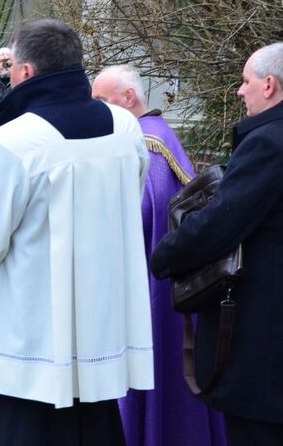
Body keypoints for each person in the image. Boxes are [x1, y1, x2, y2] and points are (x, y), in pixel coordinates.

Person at [0, 19, 153, 445]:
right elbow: (124, 208)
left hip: (29, 339)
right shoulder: (126, 129)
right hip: (101, 327)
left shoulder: (12, 143)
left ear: (25, 73)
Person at [151, 42, 283, 445]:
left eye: (246, 82)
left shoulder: (270, 143)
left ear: (270, 85)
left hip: (263, 341)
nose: (240, 91)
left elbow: (221, 223)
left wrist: (164, 255)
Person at [91, 64, 227, 446]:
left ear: (128, 98)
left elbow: (134, 227)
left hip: (151, 292)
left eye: (102, 100)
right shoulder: (159, 135)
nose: (97, 109)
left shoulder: (145, 147)